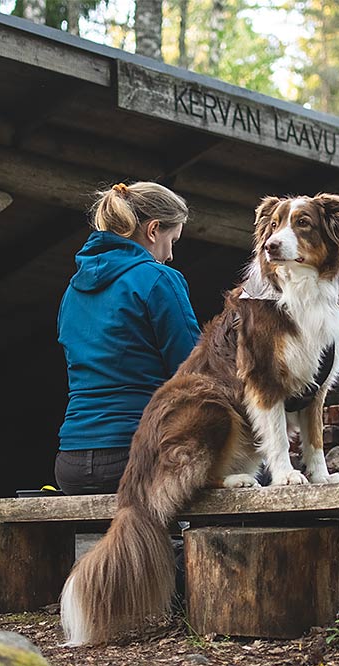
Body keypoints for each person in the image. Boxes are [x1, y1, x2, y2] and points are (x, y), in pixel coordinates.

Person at [55, 181, 200, 496]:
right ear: (153, 230)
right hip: (137, 455)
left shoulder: (72, 290)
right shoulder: (159, 279)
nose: (171, 254)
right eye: (172, 240)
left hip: (71, 462)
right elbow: (194, 372)